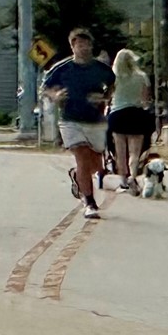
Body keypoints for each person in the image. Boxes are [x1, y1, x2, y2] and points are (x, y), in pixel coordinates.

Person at [42, 27, 116, 220]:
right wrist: (56, 95)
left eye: (86, 44)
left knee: (95, 165)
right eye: (78, 44)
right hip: (70, 120)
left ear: (91, 46)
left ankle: (77, 176)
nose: (82, 48)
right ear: (72, 46)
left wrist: (103, 97)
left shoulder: (101, 69)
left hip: (95, 120)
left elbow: (112, 84)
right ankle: (90, 202)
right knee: (82, 157)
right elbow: (47, 88)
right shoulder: (62, 68)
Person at [105, 48, 153, 195]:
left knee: (120, 151)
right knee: (134, 152)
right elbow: (145, 100)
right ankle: (133, 175)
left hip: (117, 115)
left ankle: (123, 181)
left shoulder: (113, 77)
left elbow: (107, 96)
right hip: (136, 115)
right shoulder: (142, 76)